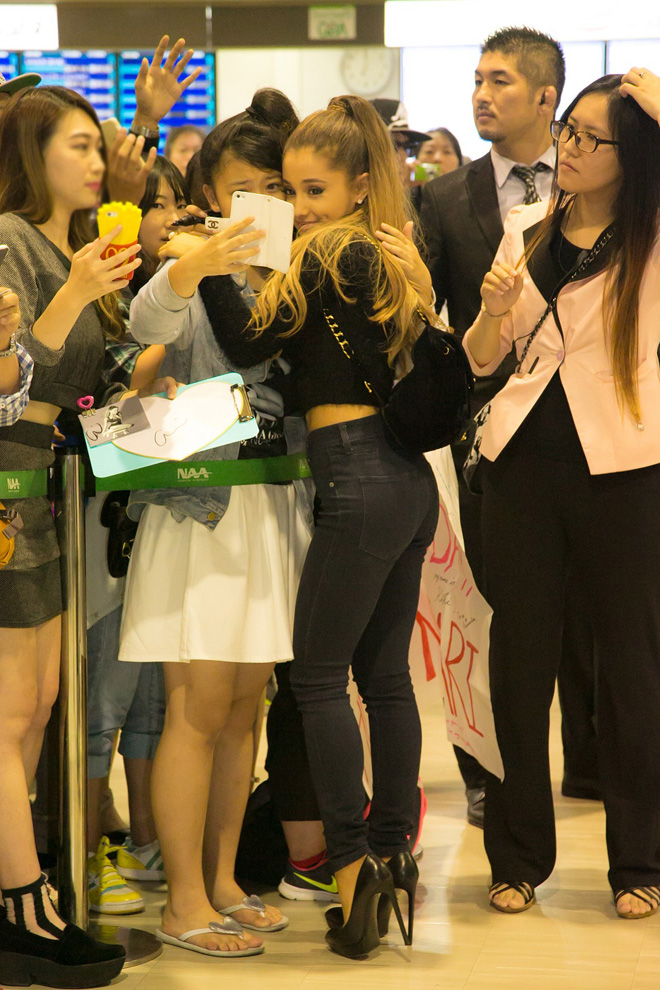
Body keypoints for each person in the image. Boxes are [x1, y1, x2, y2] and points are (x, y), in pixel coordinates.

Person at [200, 94, 440, 959]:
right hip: (407, 482)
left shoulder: (327, 253)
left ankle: (349, 871)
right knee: (385, 680)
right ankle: (393, 854)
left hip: (355, 476)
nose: (297, 207)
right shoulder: (391, 252)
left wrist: (209, 263)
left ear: (358, 186)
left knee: (315, 678)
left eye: (312, 190)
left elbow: (246, 343)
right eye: (289, 191)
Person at [119, 88, 314, 959]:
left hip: (270, 506)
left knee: (243, 710)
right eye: (241, 189)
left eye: (272, 188)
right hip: (199, 507)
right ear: (208, 190)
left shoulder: (292, 270)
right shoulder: (187, 262)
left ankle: (225, 880)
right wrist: (189, 265)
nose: (257, 206)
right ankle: (183, 901)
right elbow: (146, 321)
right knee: (196, 710)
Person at [463, 68, 660, 919]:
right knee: (518, 662)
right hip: (522, 462)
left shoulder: (652, 231)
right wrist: (489, 309)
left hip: (626, 460)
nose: (569, 147)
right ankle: (516, 858)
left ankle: (640, 862)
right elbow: (481, 358)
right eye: (569, 131)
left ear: (634, 154)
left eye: (590, 137)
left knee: (633, 667)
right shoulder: (527, 226)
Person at [419, 26, 601, 826]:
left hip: (594, 422)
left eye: (500, 81)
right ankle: (490, 777)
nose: (482, 95)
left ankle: (593, 761)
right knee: (491, 605)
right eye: (477, 80)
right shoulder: (444, 197)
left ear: (545, 97)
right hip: (486, 428)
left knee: (594, 604)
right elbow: (431, 314)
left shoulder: (598, 181)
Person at [0, 84, 153, 988]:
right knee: (13, 708)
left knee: (40, 703)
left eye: (99, 146)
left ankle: (17, 888)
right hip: (10, 482)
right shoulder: (11, 241)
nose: (98, 162)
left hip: (49, 483)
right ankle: (25, 900)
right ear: (32, 153)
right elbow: (8, 381)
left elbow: (91, 385)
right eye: (80, 145)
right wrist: (77, 294)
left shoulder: (76, 248)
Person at [86, 156, 186, 916]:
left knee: (152, 692)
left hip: (156, 509)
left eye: (175, 203)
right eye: (152, 204)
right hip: (99, 516)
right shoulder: (100, 289)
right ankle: (86, 849)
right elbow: (103, 408)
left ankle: (145, 838)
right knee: (105, 694)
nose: (166, 218)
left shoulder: (165, 288)